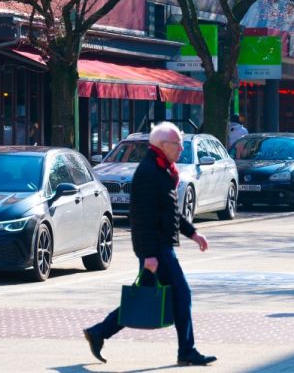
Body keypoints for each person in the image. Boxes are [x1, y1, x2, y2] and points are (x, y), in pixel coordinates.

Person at [83, 122, 216, 366]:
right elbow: (140, 217)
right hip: (156, 249)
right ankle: (186, 351)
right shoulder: (149, 172)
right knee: (179, 294)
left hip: (160, 247)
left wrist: (193, 233)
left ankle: (99, 332)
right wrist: (148, 256)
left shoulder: (163, 169)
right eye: (178, 143)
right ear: (162, 145)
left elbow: (169, 212)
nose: (181, 148)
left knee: (146, 295)